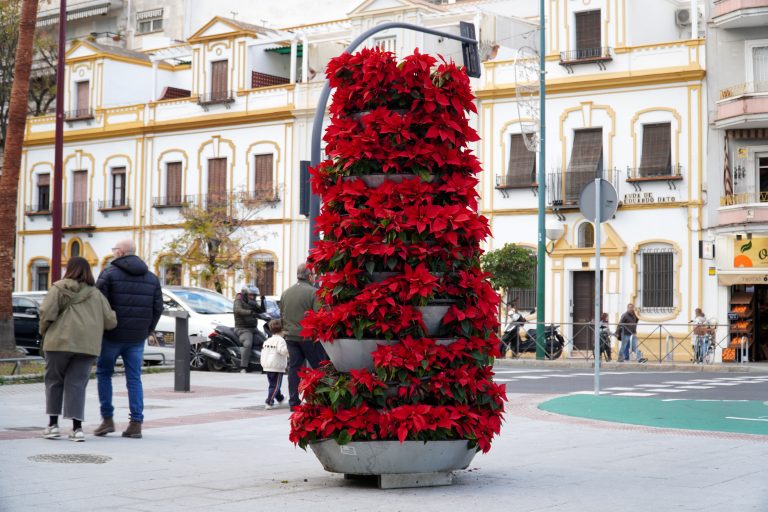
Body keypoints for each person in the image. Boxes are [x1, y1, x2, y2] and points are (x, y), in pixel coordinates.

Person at [39, 257, 117, 442]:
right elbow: (110, 321)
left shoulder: (59, 288)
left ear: (69, 269)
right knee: (77, 385)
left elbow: (46, 313)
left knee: (54, 381)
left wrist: (43, 331)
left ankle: (52, 425)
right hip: (87, 346)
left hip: (58, 343)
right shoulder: (96, 294)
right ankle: (77, 429)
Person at [93, 239, 162, 439]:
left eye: (114, 250)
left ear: (121, 253)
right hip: (137, 337)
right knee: (134, 378)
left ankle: (107, 420)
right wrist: (148, 329)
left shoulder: (109, 274)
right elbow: (157, 308)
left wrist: (102, 329)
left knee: (104, 374)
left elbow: (98, 304)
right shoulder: (151, 278)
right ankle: (136, 423)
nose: (113, 253)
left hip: (111, 336)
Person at [281, 262, 326, 410]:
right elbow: (318, 316)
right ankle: (320, 399)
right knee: (318, 367)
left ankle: (293, 402)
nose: (315, 277)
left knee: (294, 368)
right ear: (309, 276)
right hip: (308, 338)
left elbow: (282, 314)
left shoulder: (286, 293)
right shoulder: (313, 293)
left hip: (290, 337)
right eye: (314, 274)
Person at [234, 285, 266, 373]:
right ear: (245, 294)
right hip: (243, 328)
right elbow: (238, 310)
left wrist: (263, 301)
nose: (253, 297)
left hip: (253, 328)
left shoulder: (252, 302)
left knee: (266, 342)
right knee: (248, 344)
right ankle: (243, 366)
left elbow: (261, 311)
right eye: (251, 295)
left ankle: (264, 364)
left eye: (254, 295)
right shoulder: (238, 300)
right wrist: (251, 312)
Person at [260, 319, 288, 409]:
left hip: (267, 366)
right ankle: (269, 401)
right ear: (282, 330)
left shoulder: (268, 340)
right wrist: (290, 351)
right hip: (277, 366)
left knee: (273, 384)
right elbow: (283, 351)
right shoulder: (281, 340)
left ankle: (280, 399)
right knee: (275, 385)